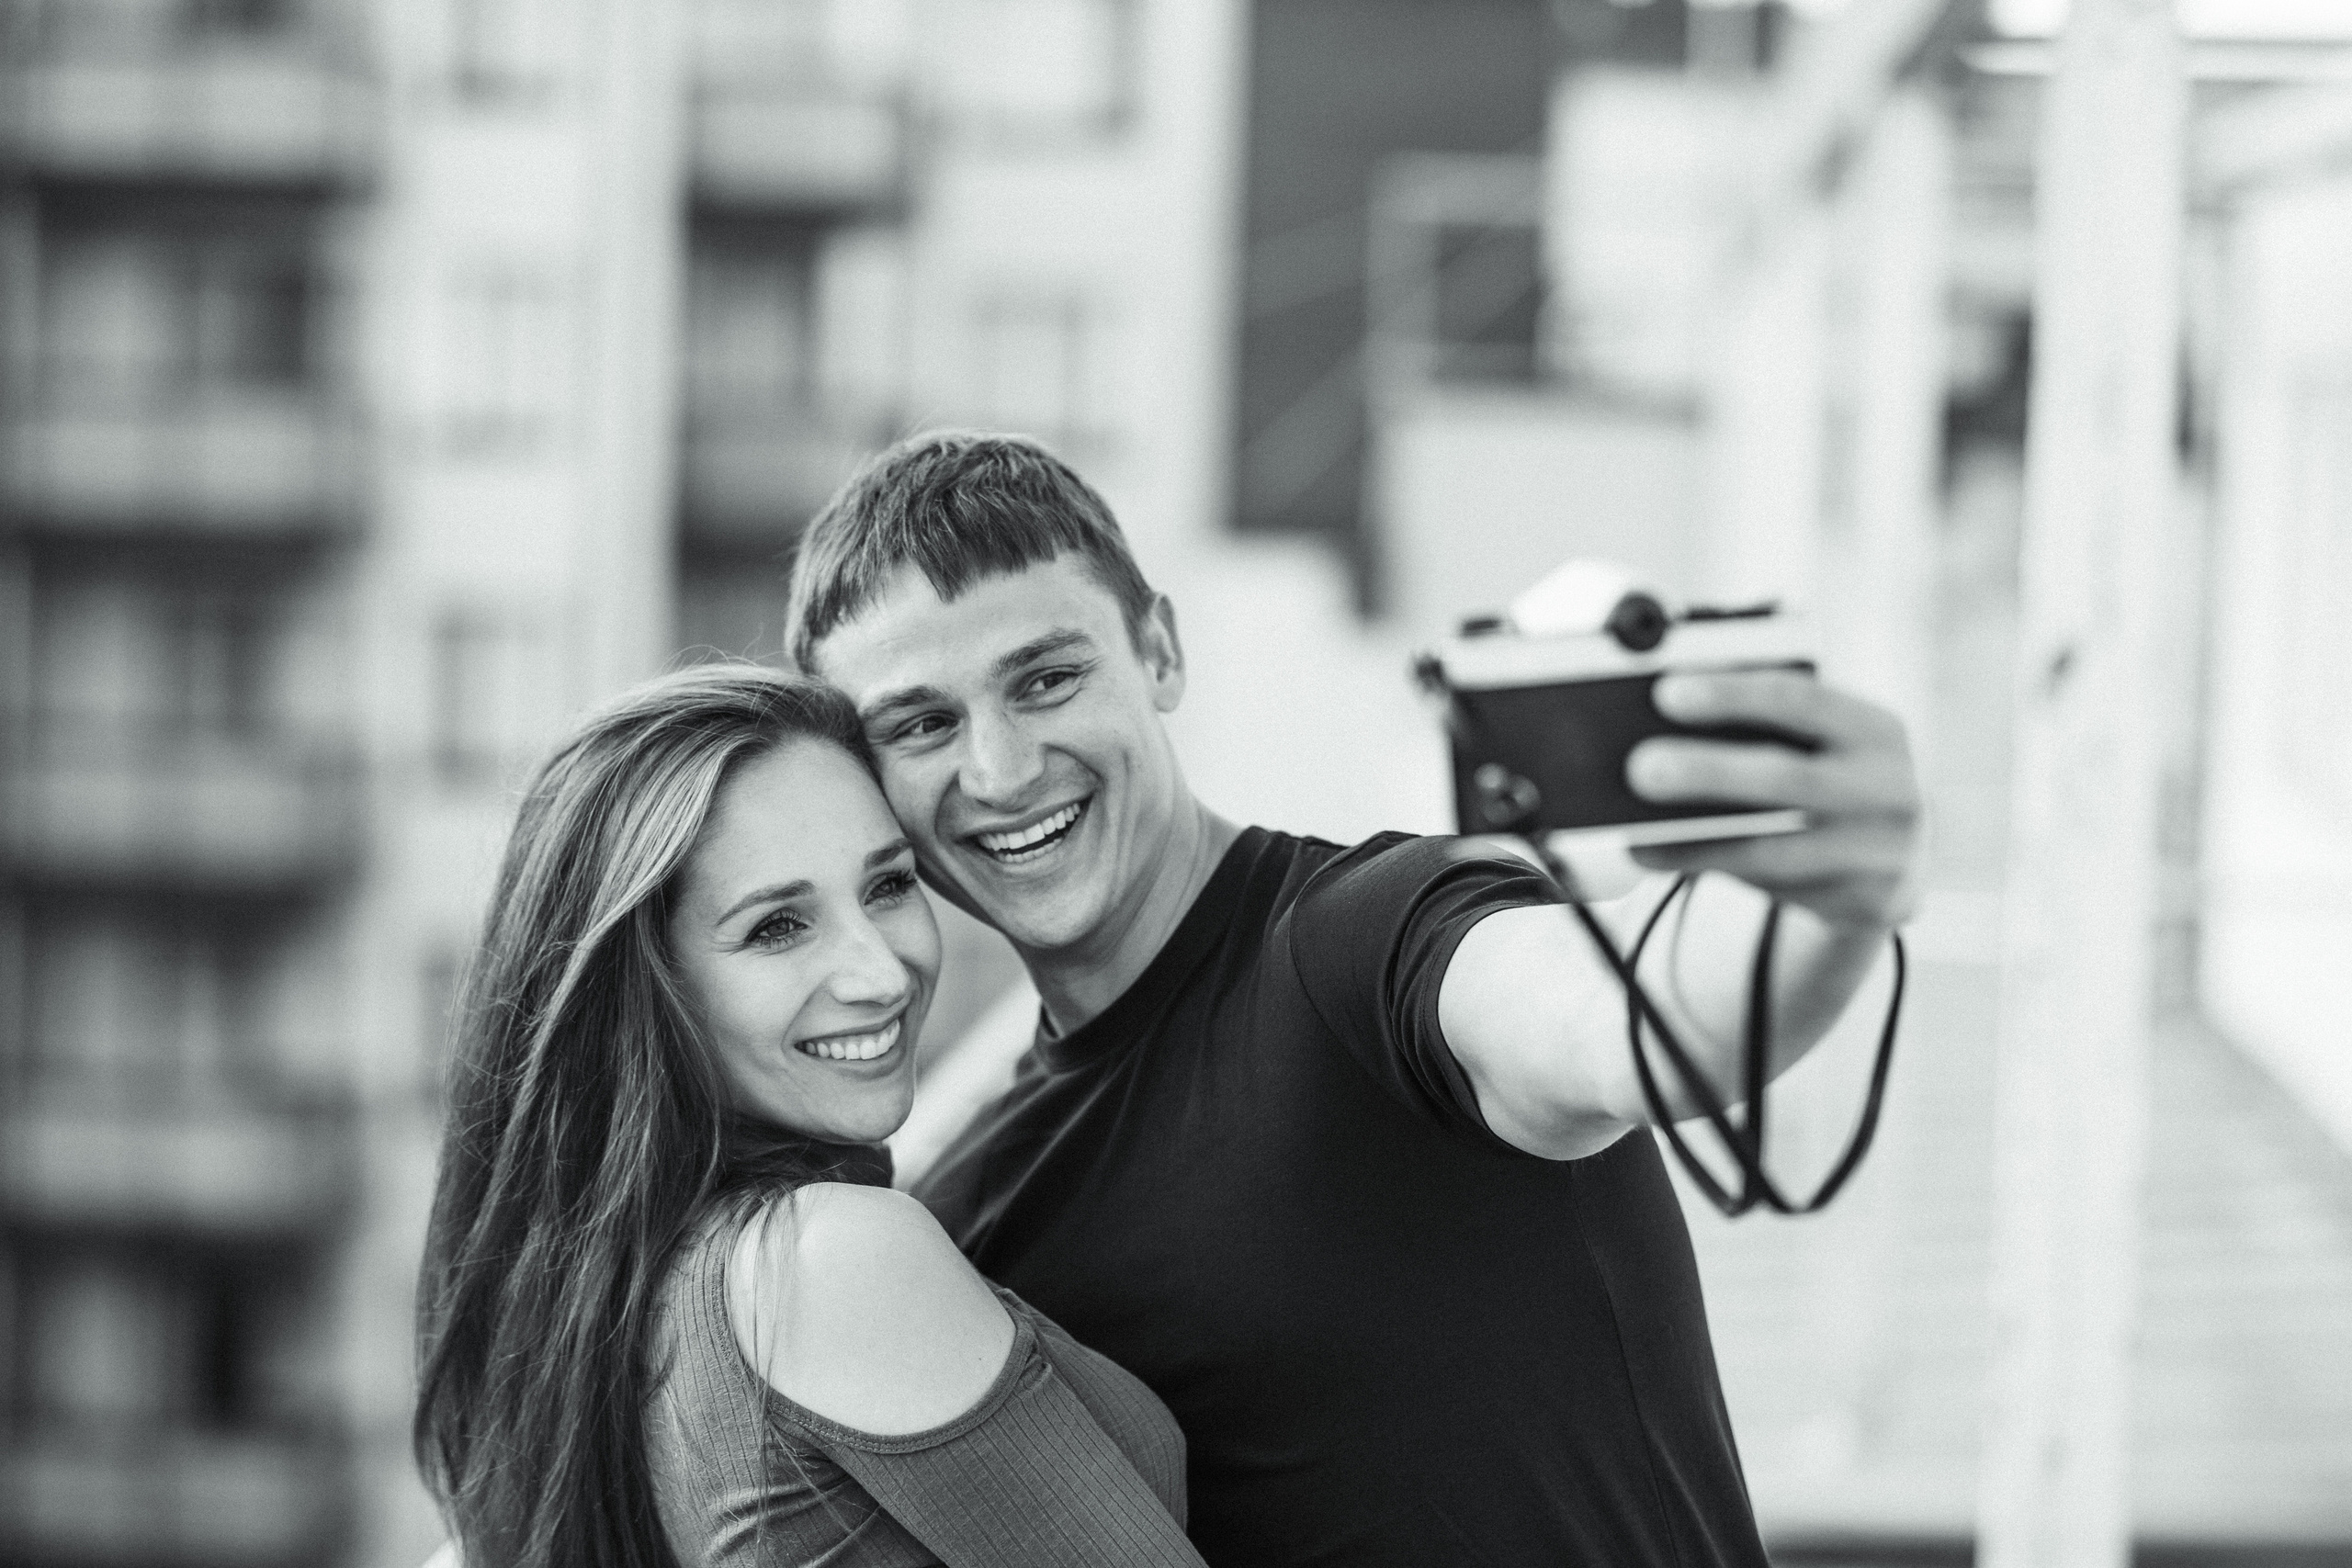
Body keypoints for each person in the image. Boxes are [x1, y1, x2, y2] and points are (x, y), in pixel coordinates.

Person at [783, 432, 1925, 1567]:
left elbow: (1621, 1020)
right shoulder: (959, 1208)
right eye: (922, 724)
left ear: (1161, 652)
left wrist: (1822, 900)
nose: (1000, 770)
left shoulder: (1366, 939)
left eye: (1046, 679)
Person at [411, 665, 1208, 1568]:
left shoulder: (600, 1312)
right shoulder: (827, 1259)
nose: (880, 973)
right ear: (643, 991)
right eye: (777, 927)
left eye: (888, 886)